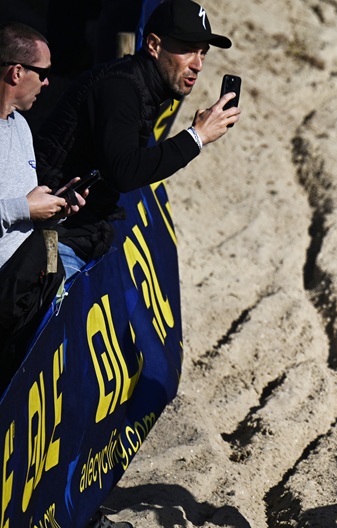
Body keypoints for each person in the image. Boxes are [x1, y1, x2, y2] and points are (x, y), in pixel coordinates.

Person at [35, 0, 239, 279]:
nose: (198, 65)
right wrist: (196, 137)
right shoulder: (121, 88)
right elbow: (125, 171)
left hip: (76, 231)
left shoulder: (143, 86)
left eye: (203, 53)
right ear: (153, 45)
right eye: (188, 50)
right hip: (51, 236)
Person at [0, 22, 85, 391]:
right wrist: (25, 208)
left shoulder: (21, 126)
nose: (48, 82)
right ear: (17, 72)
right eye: (43, 72)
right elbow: (20, 208)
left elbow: (26, 204)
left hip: (28, 284)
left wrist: (56, 204)